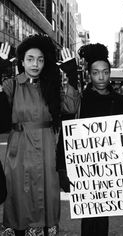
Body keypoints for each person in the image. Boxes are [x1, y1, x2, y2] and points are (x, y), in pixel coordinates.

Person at [0, 35, 79, 236]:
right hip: (19, 148)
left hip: (46, 148)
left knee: (47, 193)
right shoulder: (12, 85)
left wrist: (72, 76)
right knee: (18, 193)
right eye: (30, 58)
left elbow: (71, 107)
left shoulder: (52, 86)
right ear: (21, 61)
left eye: (40, 59)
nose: (35, 64)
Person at [56, 43, 123, 236]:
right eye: (96, 72)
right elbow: (67, 133)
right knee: (88, 219)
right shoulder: (81, 100)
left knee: (103, 216)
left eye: (105, 72)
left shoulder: (120, 102)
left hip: (110, 167)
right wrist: (62, 168)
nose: (101, 77)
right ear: (89, 74)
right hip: (85, 168)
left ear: (110, 73)